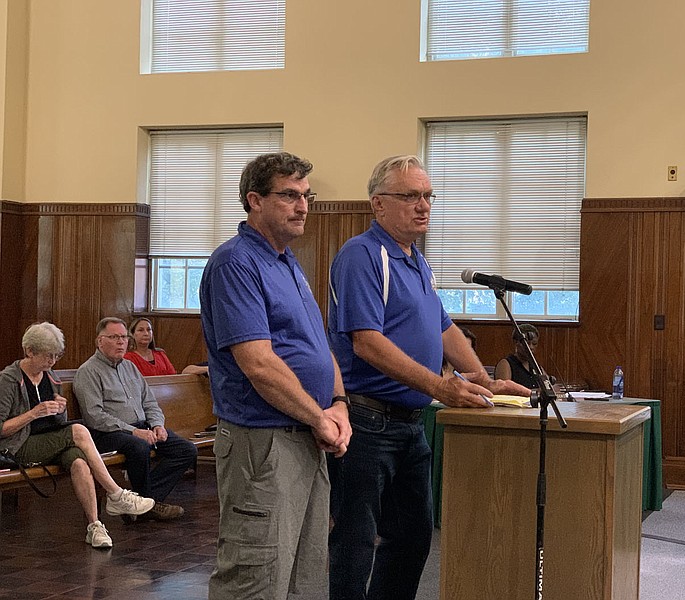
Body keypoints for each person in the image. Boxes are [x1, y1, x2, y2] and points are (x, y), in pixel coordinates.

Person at [327, 154, 529, 600]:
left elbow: (444, 328)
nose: (423, 206)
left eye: (428, 196)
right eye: (410, 196)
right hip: (367, 423)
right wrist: (441, 386)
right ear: (378, 204)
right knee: (356, 542)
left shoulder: (417, 260)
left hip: (410, 424)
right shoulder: (362, 255)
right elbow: (365, 341)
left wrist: (481, 376)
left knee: (414, 538)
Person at [200, 151, 352, 600]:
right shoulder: (235, 263)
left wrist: (338, 404)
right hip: (262, 442)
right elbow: (258, 363)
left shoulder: (287, 262)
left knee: (302, 578)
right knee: (255, 578)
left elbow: (320, 349)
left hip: (306, 433)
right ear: (254, 201)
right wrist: (319, 416)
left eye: (307, 195)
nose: (303, 205)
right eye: (289, 195)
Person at [0, 322, 155, 548]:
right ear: (29, 351)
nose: (52, 362)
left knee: (80, 462)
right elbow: (2, 429)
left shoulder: (50, 376)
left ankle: (95, 526)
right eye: (47, 356)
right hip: (17, 446)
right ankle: (116, 494)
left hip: (47, 441)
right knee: (80, 430)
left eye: (55, 356)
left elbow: (57, 423)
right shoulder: (8, 379)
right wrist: (32, 414)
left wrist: (60, 410)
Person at [73, 317, 197, 520]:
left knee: (186, 450)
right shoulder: (89, 371)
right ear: (100, 341)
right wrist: (134, 431)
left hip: (141, 427)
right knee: (138, 446)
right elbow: (95, 417)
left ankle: (140, 502)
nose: (121, 342)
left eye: (123, 337)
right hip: (107, 432)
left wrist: (158, 424)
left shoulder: (129, 367)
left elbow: (150, 402)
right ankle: (146, 506)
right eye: (114, 337)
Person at [494, 323, 540, 389]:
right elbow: (504, 390)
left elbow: (548, 386)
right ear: (516, 342)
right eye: (527, 343)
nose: (531, 347)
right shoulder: (506, 364)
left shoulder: (536, 366)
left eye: (534, 344)